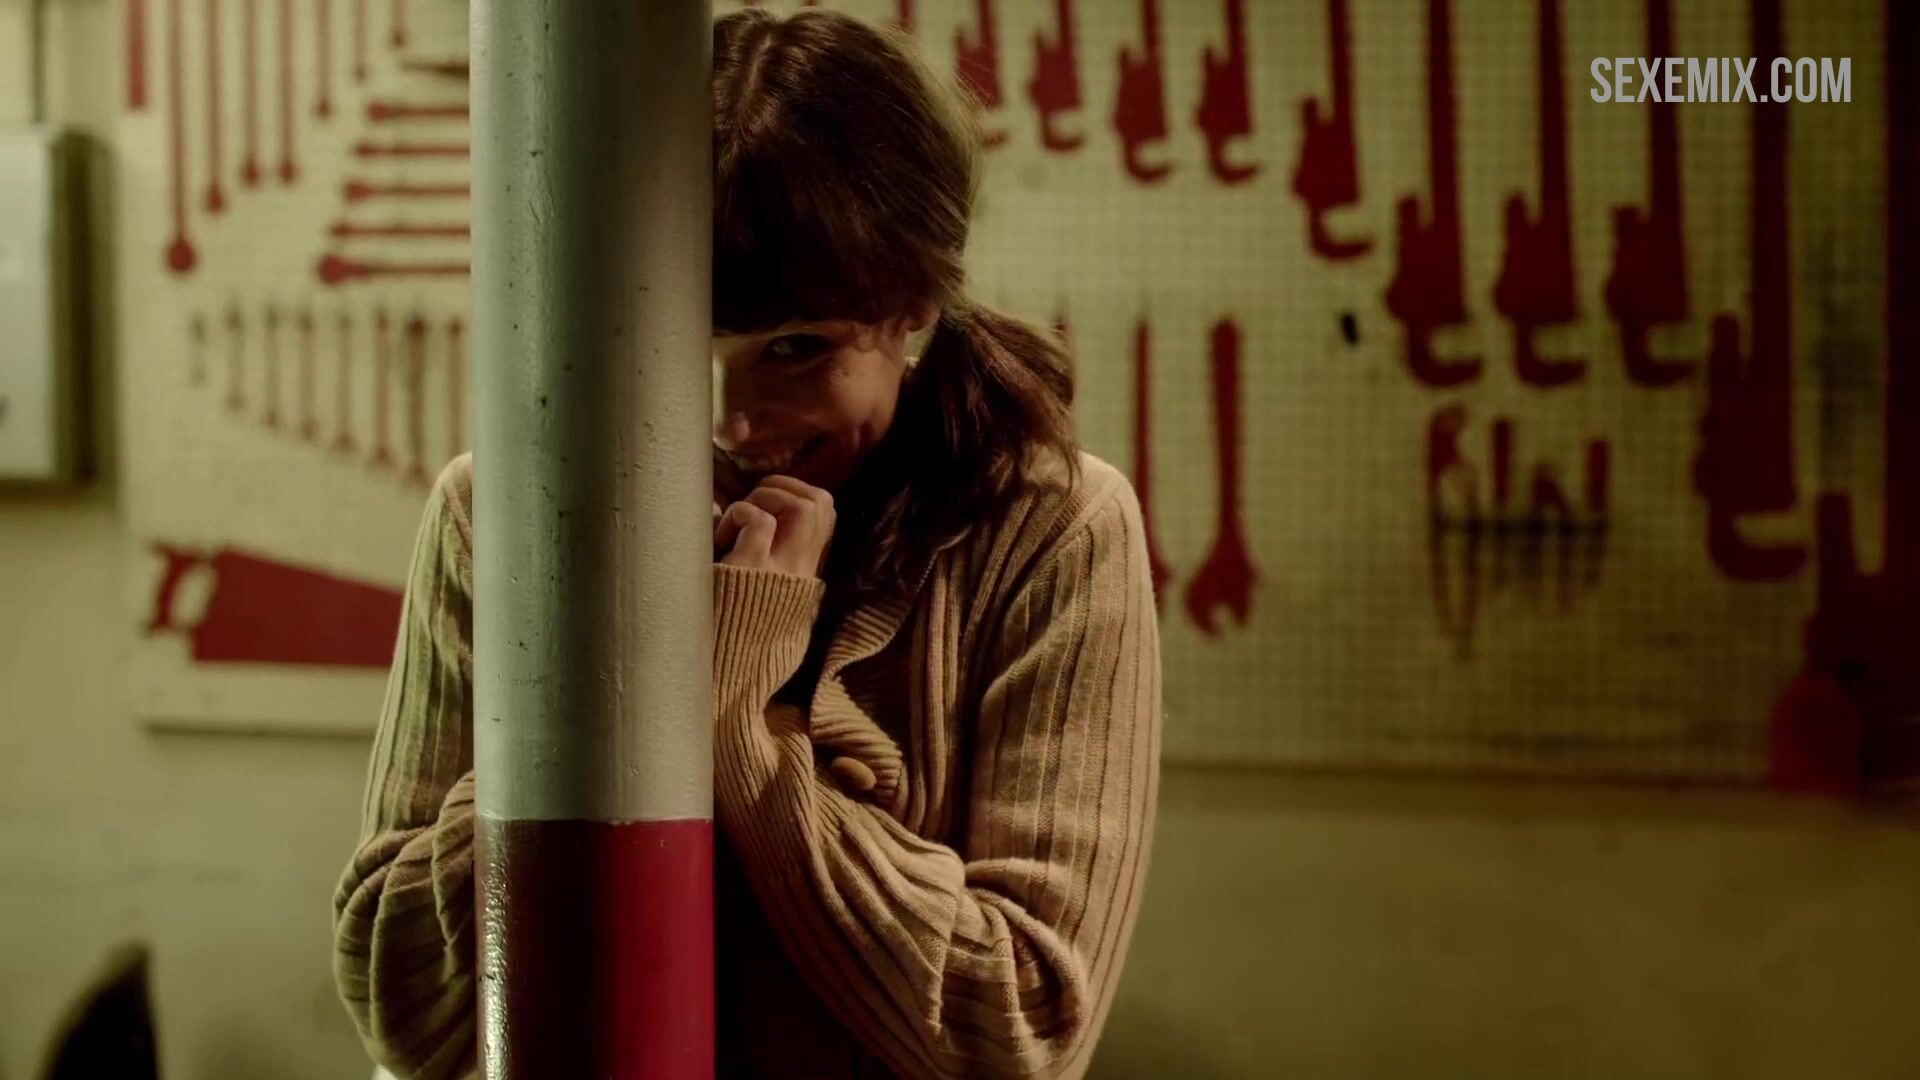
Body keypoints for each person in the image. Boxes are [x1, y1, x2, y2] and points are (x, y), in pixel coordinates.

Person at [332, 8, 1162, 1078]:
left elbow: (1019, 1027)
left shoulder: (1055, 527)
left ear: (915, 300)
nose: (728, 421)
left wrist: (732, 718)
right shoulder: (493, 516)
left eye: (797, 348)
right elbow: (402, 1010)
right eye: (677, 342)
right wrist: (589, 664)